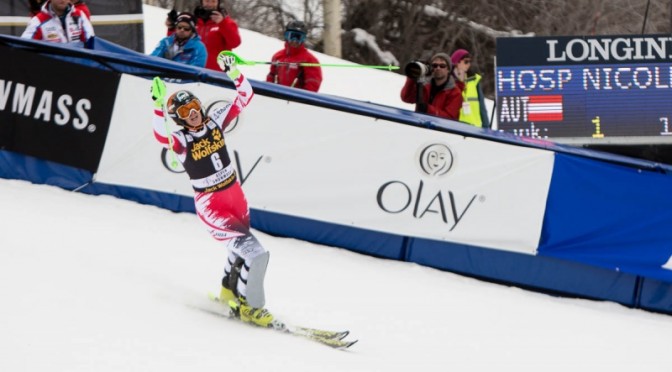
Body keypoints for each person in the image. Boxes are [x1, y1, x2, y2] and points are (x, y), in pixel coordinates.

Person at [150, 52, 275, 328]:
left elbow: (245, 95)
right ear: (179, 119)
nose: (193, 113)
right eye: (184, 112)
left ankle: (228, 293)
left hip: (234, 194)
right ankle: (251, 306)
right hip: (212, 203)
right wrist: (158, 106)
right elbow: (161, 135)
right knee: (257, 253)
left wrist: (233, 72)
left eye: (194, 106)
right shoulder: (180, 140)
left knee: (240, 247)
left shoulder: (215, 120)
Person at [166, 0, 241, 71]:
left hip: (216, 74)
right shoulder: (193, 21)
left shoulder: (227, 22)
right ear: (202, 2)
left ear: (218, 3)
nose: (210, 4)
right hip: (192, 71)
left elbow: (235, 43)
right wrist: (171, 27)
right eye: (207, 1)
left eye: (213, 1)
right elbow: (176, 42)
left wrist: (222, 23)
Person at [400, 53, 463, 120]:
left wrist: (427, 109)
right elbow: (406, 98)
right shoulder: (425, 85)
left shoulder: (455, 93)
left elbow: (450, 118)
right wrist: (413, 76)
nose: (438, 68)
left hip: (439, 129)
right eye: (435, 65)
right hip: (418, 124)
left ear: (448, 69)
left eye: (442, 66)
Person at [266, 20, 323, 92]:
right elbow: (271, 76)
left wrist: (301, 99)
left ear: (303, 39)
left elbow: (313, 84)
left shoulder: (309, 60)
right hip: (279, 96)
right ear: (286, 36)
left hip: (296, 98)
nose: (294, 40)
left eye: (298, 37)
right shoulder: (278, 56)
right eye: (292, 36)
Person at [22, 0, 95, 49]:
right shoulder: (37, 21)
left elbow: (92, 44)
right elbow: (23, 48)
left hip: (78, 68)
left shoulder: (80, 16)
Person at [451, 48, 490, 128]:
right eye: (466, 62)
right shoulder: (448, 82)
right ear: (457, 62)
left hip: (475, 129)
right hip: (455, 128)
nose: (468, 64)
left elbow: (482, 108)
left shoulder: (474, 81)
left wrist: (486, 128)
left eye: (469, 62)